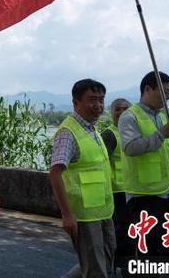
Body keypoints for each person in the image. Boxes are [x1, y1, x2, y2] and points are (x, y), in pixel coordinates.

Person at [119, 71, 169, 258]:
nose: (167, 98)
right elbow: (130, 147)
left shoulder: (161, 117)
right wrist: (161, 134)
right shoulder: (130, 117)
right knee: (151, 249)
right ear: (147, 89)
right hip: (143, 195)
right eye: (164, 92)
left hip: (165, 192)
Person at [49, 79, 115, 278]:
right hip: (84, 215)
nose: (98, 106)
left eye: (101, 100)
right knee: (96, 270)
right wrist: (67, 214)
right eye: (92, 100)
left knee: (106, 261)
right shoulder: (68, 132)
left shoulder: (92, 129)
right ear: (76, 102)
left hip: (103, 210)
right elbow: (55, 173)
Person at [100, 98, 133, 269]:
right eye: (117, 109)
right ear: (111, 113)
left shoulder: (132, 134)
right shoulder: (109, 135)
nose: (121, 113)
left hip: (132, 191)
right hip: (116, 193)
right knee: (119, 235)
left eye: (126, 109)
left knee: (130, 234)